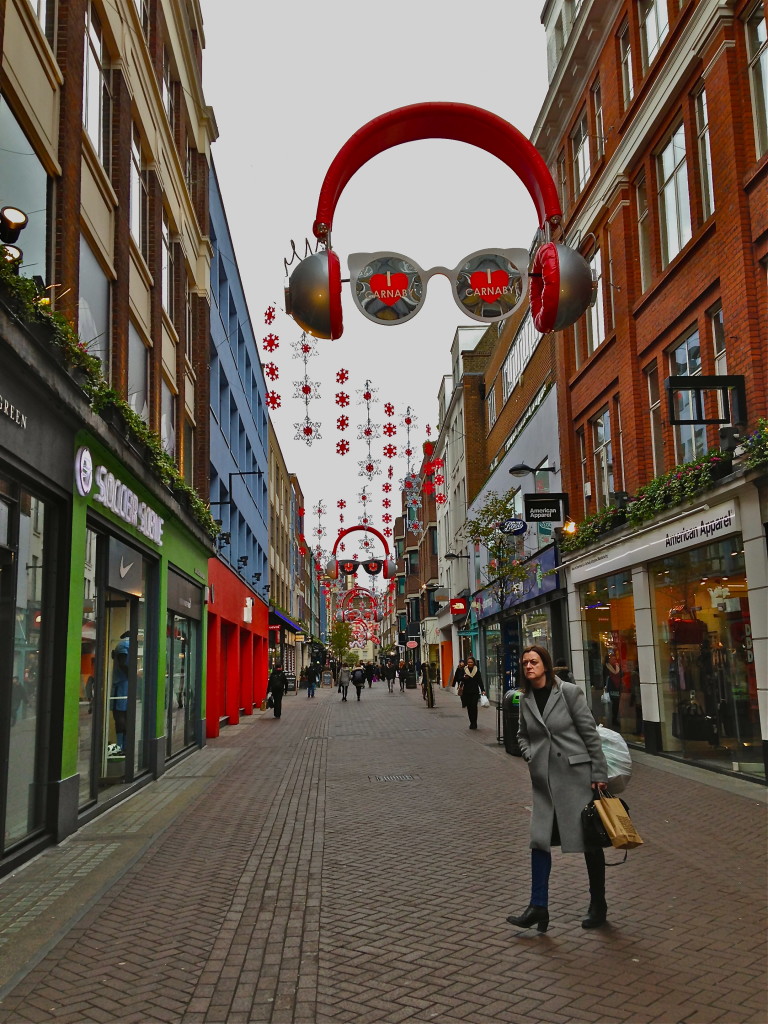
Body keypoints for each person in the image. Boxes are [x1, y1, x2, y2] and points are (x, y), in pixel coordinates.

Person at [507, 644, 609, 933]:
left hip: (576, 778)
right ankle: (538, 906)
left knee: (590, 841)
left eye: (534, 661)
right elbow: (522, 734)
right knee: (539, 841)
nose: (529, 666)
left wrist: (599, 773)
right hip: (545, 783)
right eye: (525, 663)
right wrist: (530, 754)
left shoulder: (568, 692)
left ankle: (598, 904)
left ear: (546, 665)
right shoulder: (525, 698)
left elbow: (590, 734)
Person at [111, 634, 130, 752]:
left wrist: (130, 675)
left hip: (120, 685)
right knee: (125, 716)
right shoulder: (127, 645)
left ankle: (120, 745)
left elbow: (122, 663)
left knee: (119, 716)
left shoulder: (123, 644)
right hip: (125, 684)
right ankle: (125, 746)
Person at [459, 656, 484, 729]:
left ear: (474, 663)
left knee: (474, 707)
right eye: (469, 662)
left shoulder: (476, 670)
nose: (470, 663)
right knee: (469, 707)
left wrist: (483, 690)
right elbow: (459, 678)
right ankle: (471, 722)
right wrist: (464, 677)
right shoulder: (464, 670)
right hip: (466, 692)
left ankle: (474, 722)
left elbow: (480, 681)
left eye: (471, 662)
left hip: (475, 691)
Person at [602, 650, 622, 730]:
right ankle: (609, 719)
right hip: (610, 687)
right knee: (609, 703)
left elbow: (620, 675)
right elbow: (604, 677)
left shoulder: (617, 667)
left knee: (616, 703)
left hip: (617, 687)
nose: (614, 660)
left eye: (615, 659)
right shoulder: (606, 667)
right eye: (612, 659)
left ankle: (614, 719)